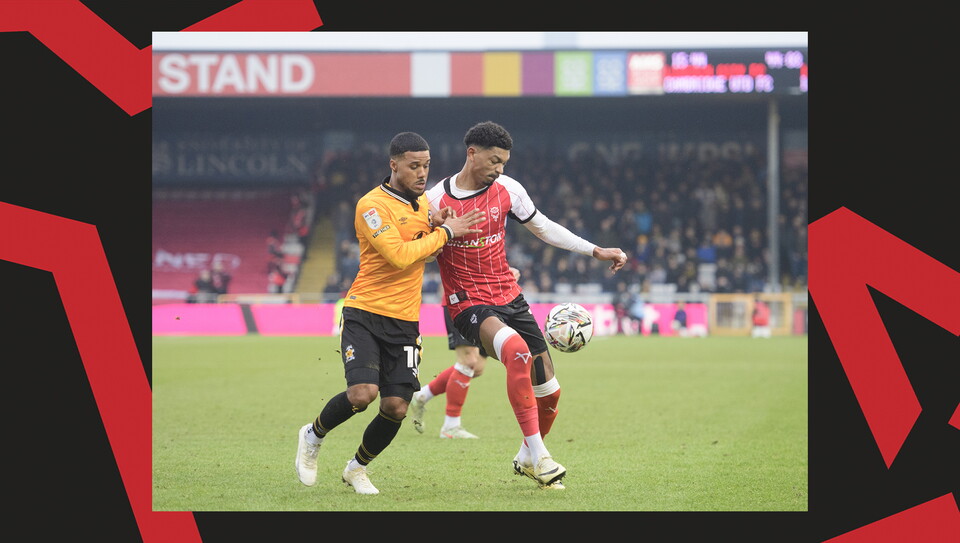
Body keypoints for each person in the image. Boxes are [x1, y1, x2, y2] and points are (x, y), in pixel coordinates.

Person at [424, 121, 628, 490]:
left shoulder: (509, 189)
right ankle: (542, 457)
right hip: (467, 302)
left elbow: (544, 227)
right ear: (472, 153)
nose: (499, 168)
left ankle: (526, 456)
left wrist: (594, 250)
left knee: (550, 391)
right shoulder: (435, 200)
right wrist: (442, 231)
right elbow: (419, 254)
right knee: (516, 351)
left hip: (510, 296)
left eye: (504, 162)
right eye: (494, 160)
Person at [294, 132, 485, 495]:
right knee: (362, 394)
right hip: (365, 312)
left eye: (426, 165)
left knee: (397, 406)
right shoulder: (371, 206)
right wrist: (445, 231)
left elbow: (425, 253)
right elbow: (398, 255)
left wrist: (436, 226)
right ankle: (312, 436)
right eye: (414, 166)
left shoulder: (423, 204)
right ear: (394, 165)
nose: (422, 173)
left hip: (405, 320)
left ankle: (357, 468)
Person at [409, 267, 521, 439]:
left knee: (477, 367)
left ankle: (423, 395)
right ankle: (451, 426)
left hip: (486, 302)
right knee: (469, 360)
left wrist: (503, 274)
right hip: (460, 300)